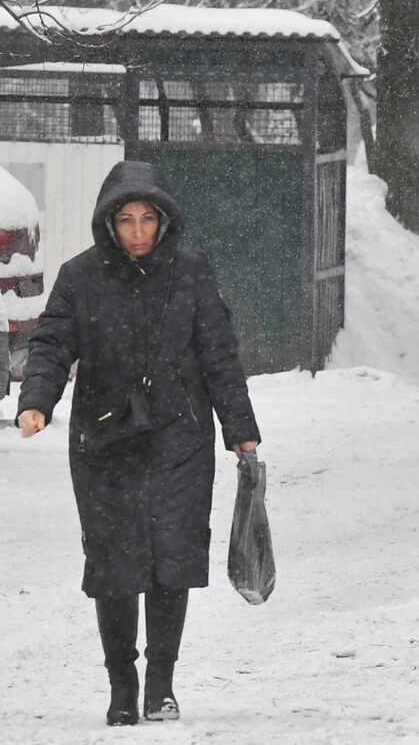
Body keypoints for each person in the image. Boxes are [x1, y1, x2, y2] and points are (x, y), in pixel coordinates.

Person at [15, 161, 260, 726]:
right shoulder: (81, 277)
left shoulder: (193, 273)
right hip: (105, 438)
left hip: (182, 437)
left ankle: (161, 685)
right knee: (115, 564)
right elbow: (52, 343)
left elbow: (219, 355)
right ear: (109, 222)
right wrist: (37, 400)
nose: (138, 231)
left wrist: (240, 431)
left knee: (172, 561)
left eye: (148, 218)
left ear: (165, 220)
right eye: (126, 220)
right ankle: (122, 686)